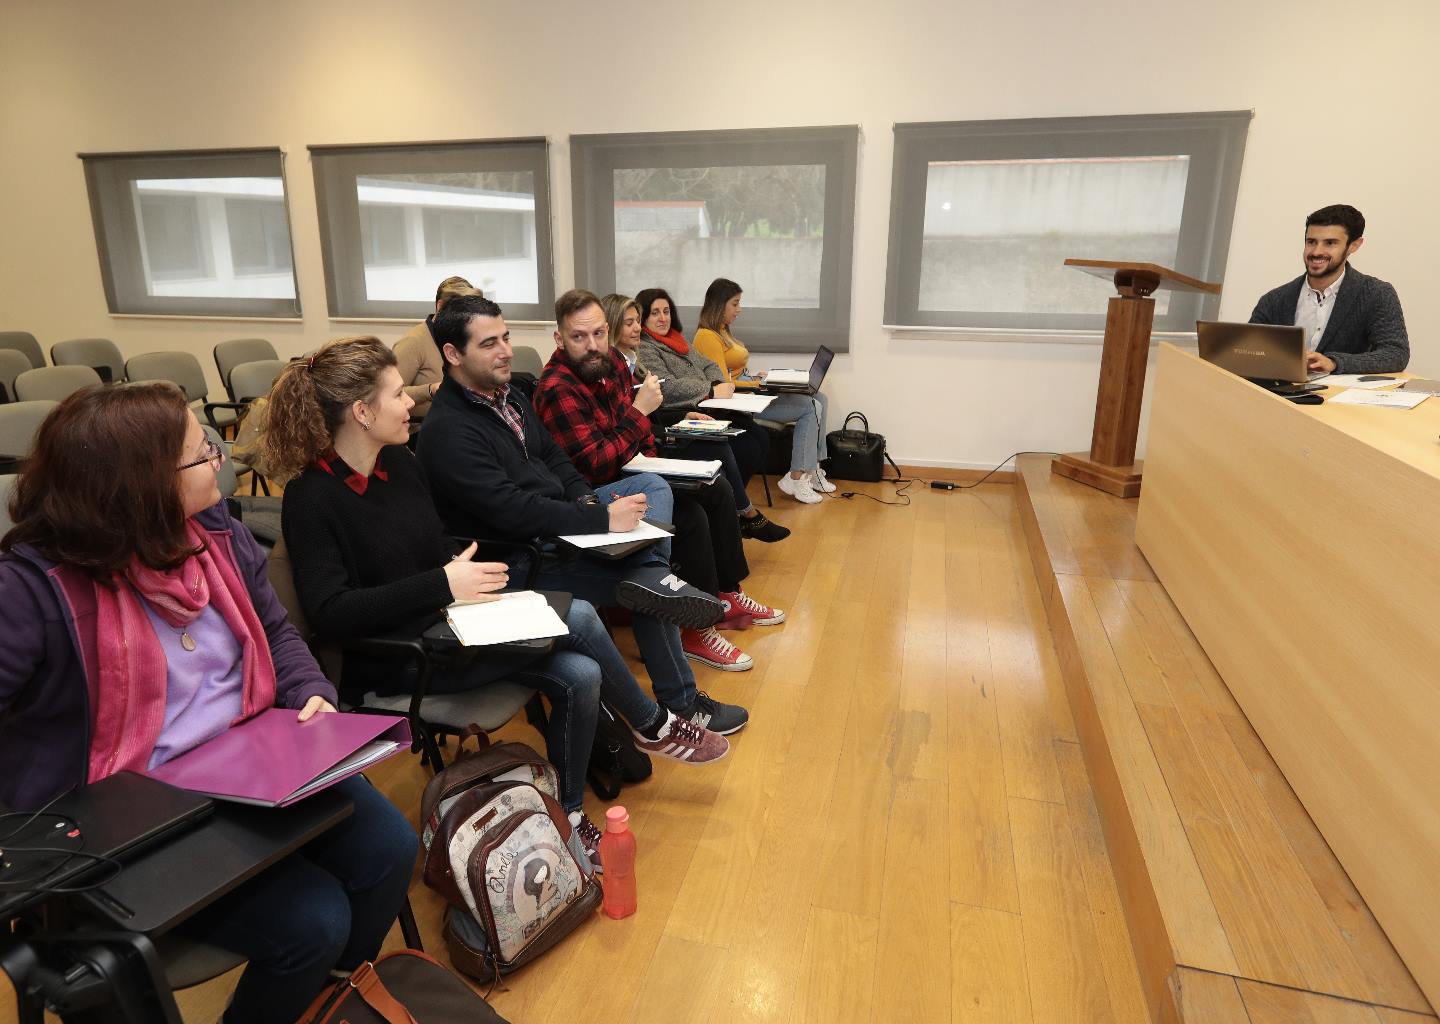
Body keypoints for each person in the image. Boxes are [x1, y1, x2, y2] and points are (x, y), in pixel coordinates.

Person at [0, 383, 417, 1024]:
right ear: (140, 486)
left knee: (390, 848)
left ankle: (332, 996)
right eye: (203, 454)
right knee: (314, 919)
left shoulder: (214, 535)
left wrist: (311, 694)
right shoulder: (32, 592)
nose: (220, 462)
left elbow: (276, 632)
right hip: (134, 808)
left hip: (247, 760)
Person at [258, 337, 729, 853]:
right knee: (581, 616)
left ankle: (568, 813)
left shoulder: (400, 464)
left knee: (581, 672)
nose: (411, 401)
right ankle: (652, 724)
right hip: (401, 657)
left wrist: (458, 568)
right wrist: (443, 582)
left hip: (454, 623)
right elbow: (332, 612)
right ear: (362, 412)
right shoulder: (312, 497)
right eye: (397, 394)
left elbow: (431, 545)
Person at [415, 295, 750, 735]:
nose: (506, 352)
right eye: (489, 343)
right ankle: (676, 699)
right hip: (518, 558)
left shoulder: (508, 397)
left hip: (559, 527)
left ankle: (657, 588)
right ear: (453, 354)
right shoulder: (449, 431)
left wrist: (589, 505)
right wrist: (599, 520)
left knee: (651, 511)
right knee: (645, 583)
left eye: (506, 338)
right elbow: (514, 512)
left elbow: (556, 459)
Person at [534, 291, 787, 672]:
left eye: (598, 334)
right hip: (594, 494)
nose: (592, 345)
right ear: (559, 339)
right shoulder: (559, 387)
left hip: (628, 469)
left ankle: (725, 594)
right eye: (578, 337)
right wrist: (639, 417)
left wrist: (653, 453)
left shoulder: (607, 365)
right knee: (689, 516)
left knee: (713, 486)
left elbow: (631, 432)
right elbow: (595, 464)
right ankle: (691, 626)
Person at [603, 292, 788, 543]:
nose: (662, 318)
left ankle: (738, 514)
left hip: (685, 413)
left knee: (755, 435)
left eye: (666, 311)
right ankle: (745, 514)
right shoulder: (640, 352)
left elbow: (709, 366)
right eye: (654, 313)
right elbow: (668, 389)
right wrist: (708, 389)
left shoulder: (672, 342)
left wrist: (705, 391)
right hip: (660, 435)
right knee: (725, 448)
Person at [691, 278, 834, 504]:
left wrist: (759, 378)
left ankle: (813, 469)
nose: (739, 309)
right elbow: (722, 384)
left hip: (750, 390)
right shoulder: (707, 336)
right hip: (741, 402)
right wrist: (761, 384)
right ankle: (796, 477)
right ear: (719, 304)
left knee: (819, 397)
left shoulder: (722, 330)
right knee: (809, 407)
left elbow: (734, 372)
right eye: (735, 303)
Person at [1249, 204, 1409, 375]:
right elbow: (1248, 351)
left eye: (1330, 243)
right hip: (1277, 390)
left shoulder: (1377, 294)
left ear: (1354, 245)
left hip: (1341, 392)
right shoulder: (1274, 300)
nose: (1316, 252)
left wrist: (1335, 363)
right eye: (1311, 242)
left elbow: (1396, 353)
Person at [394, 275, 482, 425]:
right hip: (422, 429)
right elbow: (387, 395)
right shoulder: (413, 342)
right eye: (460, 312)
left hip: (460, 421)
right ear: (440, 306)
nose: (466, 319)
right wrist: (430, 390)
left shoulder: (458, 336)